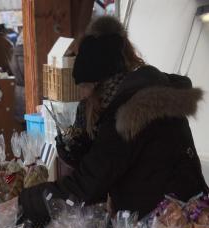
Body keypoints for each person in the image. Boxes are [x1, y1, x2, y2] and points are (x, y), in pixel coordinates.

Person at [18, 27, 208, 228]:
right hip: (182, 218)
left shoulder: (129, 117)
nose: (83, 97)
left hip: (171, 226)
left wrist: (24, 202)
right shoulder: (143, 97)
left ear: (100, 84)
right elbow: (113, 168)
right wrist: (83, 152)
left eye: (84, 87)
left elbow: (86, 187)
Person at [56, 16, 146, 171]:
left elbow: (111, 166)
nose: (83, 94)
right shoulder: (87, 106)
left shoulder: (136, 98)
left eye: (85, 86)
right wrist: (75, 152)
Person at [9, 33, 25, 124]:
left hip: (19, 91)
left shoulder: (14, 54)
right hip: (29, 92)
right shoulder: (26, 54)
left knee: (23, 125)